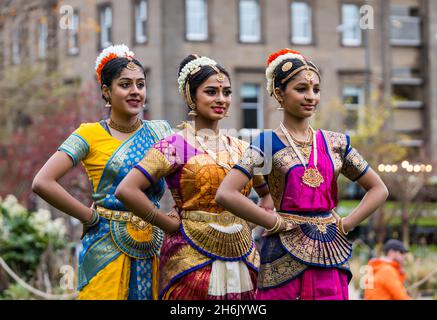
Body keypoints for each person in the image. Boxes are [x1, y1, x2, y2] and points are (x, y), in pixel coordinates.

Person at [215, 48, 389, 300]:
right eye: (301, 89)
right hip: (282, 252)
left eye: (316, 90)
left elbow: (379, 189)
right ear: (279, 93)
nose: (311, 97)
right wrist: (273, 222)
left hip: (331, 251)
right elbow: (226, 193)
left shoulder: (336, 143)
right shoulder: (265, 143)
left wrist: (347, 223)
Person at [115, 54, 273, 300]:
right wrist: (166, 224)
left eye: (227, 92)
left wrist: (250, 223)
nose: (221, 99)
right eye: (211, 92)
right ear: (191, 96)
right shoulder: (174, 146)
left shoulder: (243, 148)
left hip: (244, 256)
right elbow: (127, 190)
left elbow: (267, 194)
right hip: (189, 258)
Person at [32, 44, 173, 300]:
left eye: (140, 85)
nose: (135, 92)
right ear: (106, 92)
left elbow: (191, 174)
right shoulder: (89, 134)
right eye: (125, 84)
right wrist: (88, 217)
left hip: (155, 244)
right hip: (105, 246)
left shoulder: (162, 132)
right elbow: (42, 182)